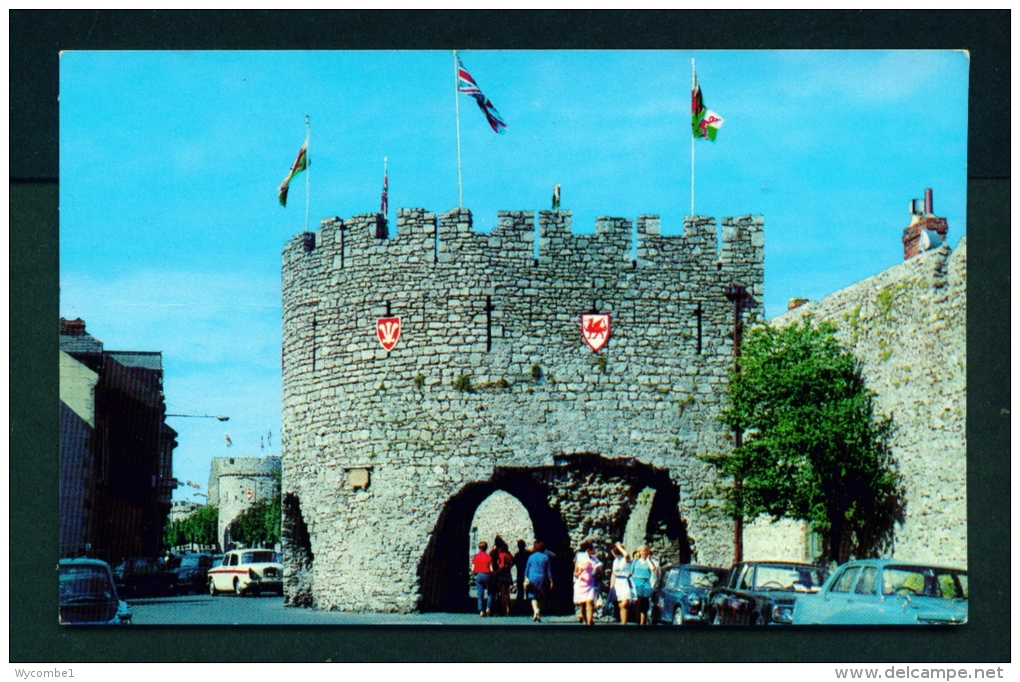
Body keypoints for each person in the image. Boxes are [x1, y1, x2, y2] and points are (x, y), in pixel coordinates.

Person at [573, 540, 602, 626]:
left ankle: (589, 622)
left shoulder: (595, 559)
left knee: (590, 601)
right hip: (581, 583)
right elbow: (575, 573)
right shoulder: (580, 559)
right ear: (588, 550)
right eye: (591, 549)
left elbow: (599, 571)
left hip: (590, 582)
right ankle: (585, 621)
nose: (593, 551)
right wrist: (581, 571)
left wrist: (597, 569)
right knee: (582, 604)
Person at [523, 540, 553, 622]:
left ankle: (535, 610)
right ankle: (538, 612)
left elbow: (527, 569)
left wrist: (526, 578)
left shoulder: (531, 557)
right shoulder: (545, 557)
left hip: (532, 577)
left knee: (532, 595)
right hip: (542, 577)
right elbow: (548, 571)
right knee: (540, 596)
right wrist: (551, 581)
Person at [631, 545, 660, 625]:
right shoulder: (635, 561)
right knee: (637, 605)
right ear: (639, 552)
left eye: (645, 551)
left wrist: (648, 560)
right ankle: (637, 622)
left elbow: (652, 569)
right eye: (642, 551)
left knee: (644, 605)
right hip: (636, 583)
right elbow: (631, 572)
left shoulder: (649, 562)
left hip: (645, 584)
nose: (644, 552)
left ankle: (642, 624)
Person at [610, 542, 635, 625]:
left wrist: (618, 546)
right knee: (620, 604)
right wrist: (611, 585)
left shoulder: (626, 559)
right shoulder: (616, 560)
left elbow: (627, 554)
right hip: (618, 582)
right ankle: (623, 623)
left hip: (625, 582)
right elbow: (614, 573)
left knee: (624, 603)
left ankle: (624, 624)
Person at [471, 540, 494, 617]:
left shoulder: (476, 557)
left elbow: (472, 569)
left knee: (480, 594)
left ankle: (481, 611)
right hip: (487, 575)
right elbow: (491, 569)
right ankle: (488, 608)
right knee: (490, 592)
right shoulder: (489, 557)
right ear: (486, 548)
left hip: (479, 575)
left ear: (479, 548)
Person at [513, 539, 532, 614]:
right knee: (528, 590)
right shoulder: (528, 554)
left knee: (520, 591)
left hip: (520, 574)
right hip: (527, 574)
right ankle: (528, 606)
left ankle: (519, 606)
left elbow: (513, 563)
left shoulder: (517, 555)